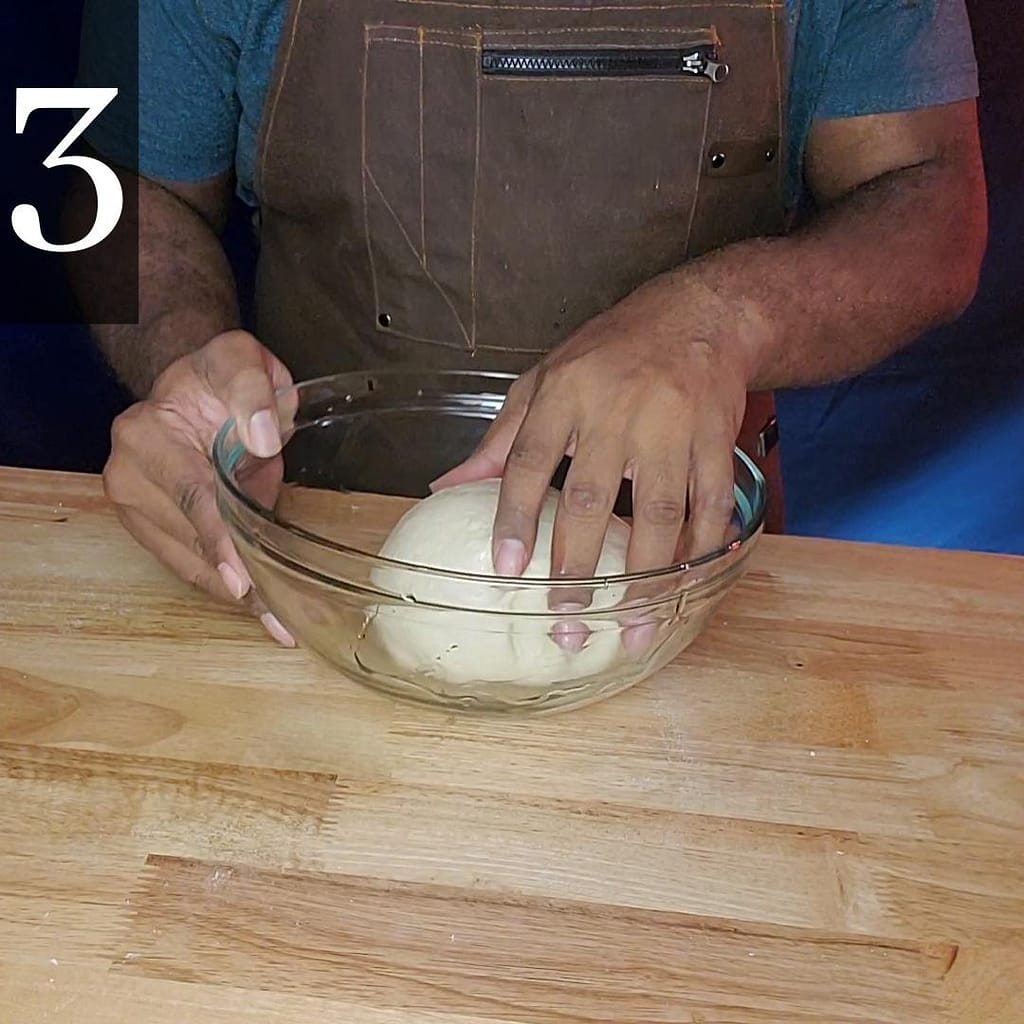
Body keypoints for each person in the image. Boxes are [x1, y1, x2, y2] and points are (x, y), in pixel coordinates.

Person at [71, 0, 987, 646]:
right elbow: (105, 184)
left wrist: (721, 316)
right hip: (308, 562)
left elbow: (937, 207)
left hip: (687, 577)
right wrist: (187, 366)